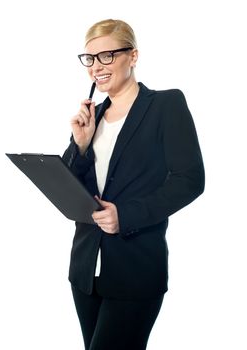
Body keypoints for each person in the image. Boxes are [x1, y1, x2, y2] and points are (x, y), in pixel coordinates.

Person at [62, 19, 205, 350]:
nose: (97, 67)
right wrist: (80, 145)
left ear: (134, 56)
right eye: (90, 58)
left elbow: (190, 180)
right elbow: (72, 191)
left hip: (135, 270)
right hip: (85, 270)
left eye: (107, 56)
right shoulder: (92, 116)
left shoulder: (165, 105)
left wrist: (125, 215)